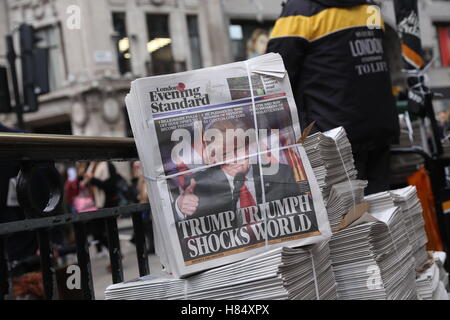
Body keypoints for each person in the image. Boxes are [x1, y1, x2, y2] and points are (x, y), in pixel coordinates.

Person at [267, 0, 400, 195]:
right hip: (378, 130)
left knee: (342, 219)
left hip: (331, 138)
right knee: (381, 212)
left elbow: (271, 75)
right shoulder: (370, 8)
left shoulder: (299, 12)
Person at [175, 119, 300, 220]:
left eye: (236, 150)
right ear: (213, 157)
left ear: (249, 147)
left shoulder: (281, 173)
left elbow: (302, 212)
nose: (233, 159)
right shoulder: (198, 184)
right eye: (224, 154)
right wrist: (180, 206)